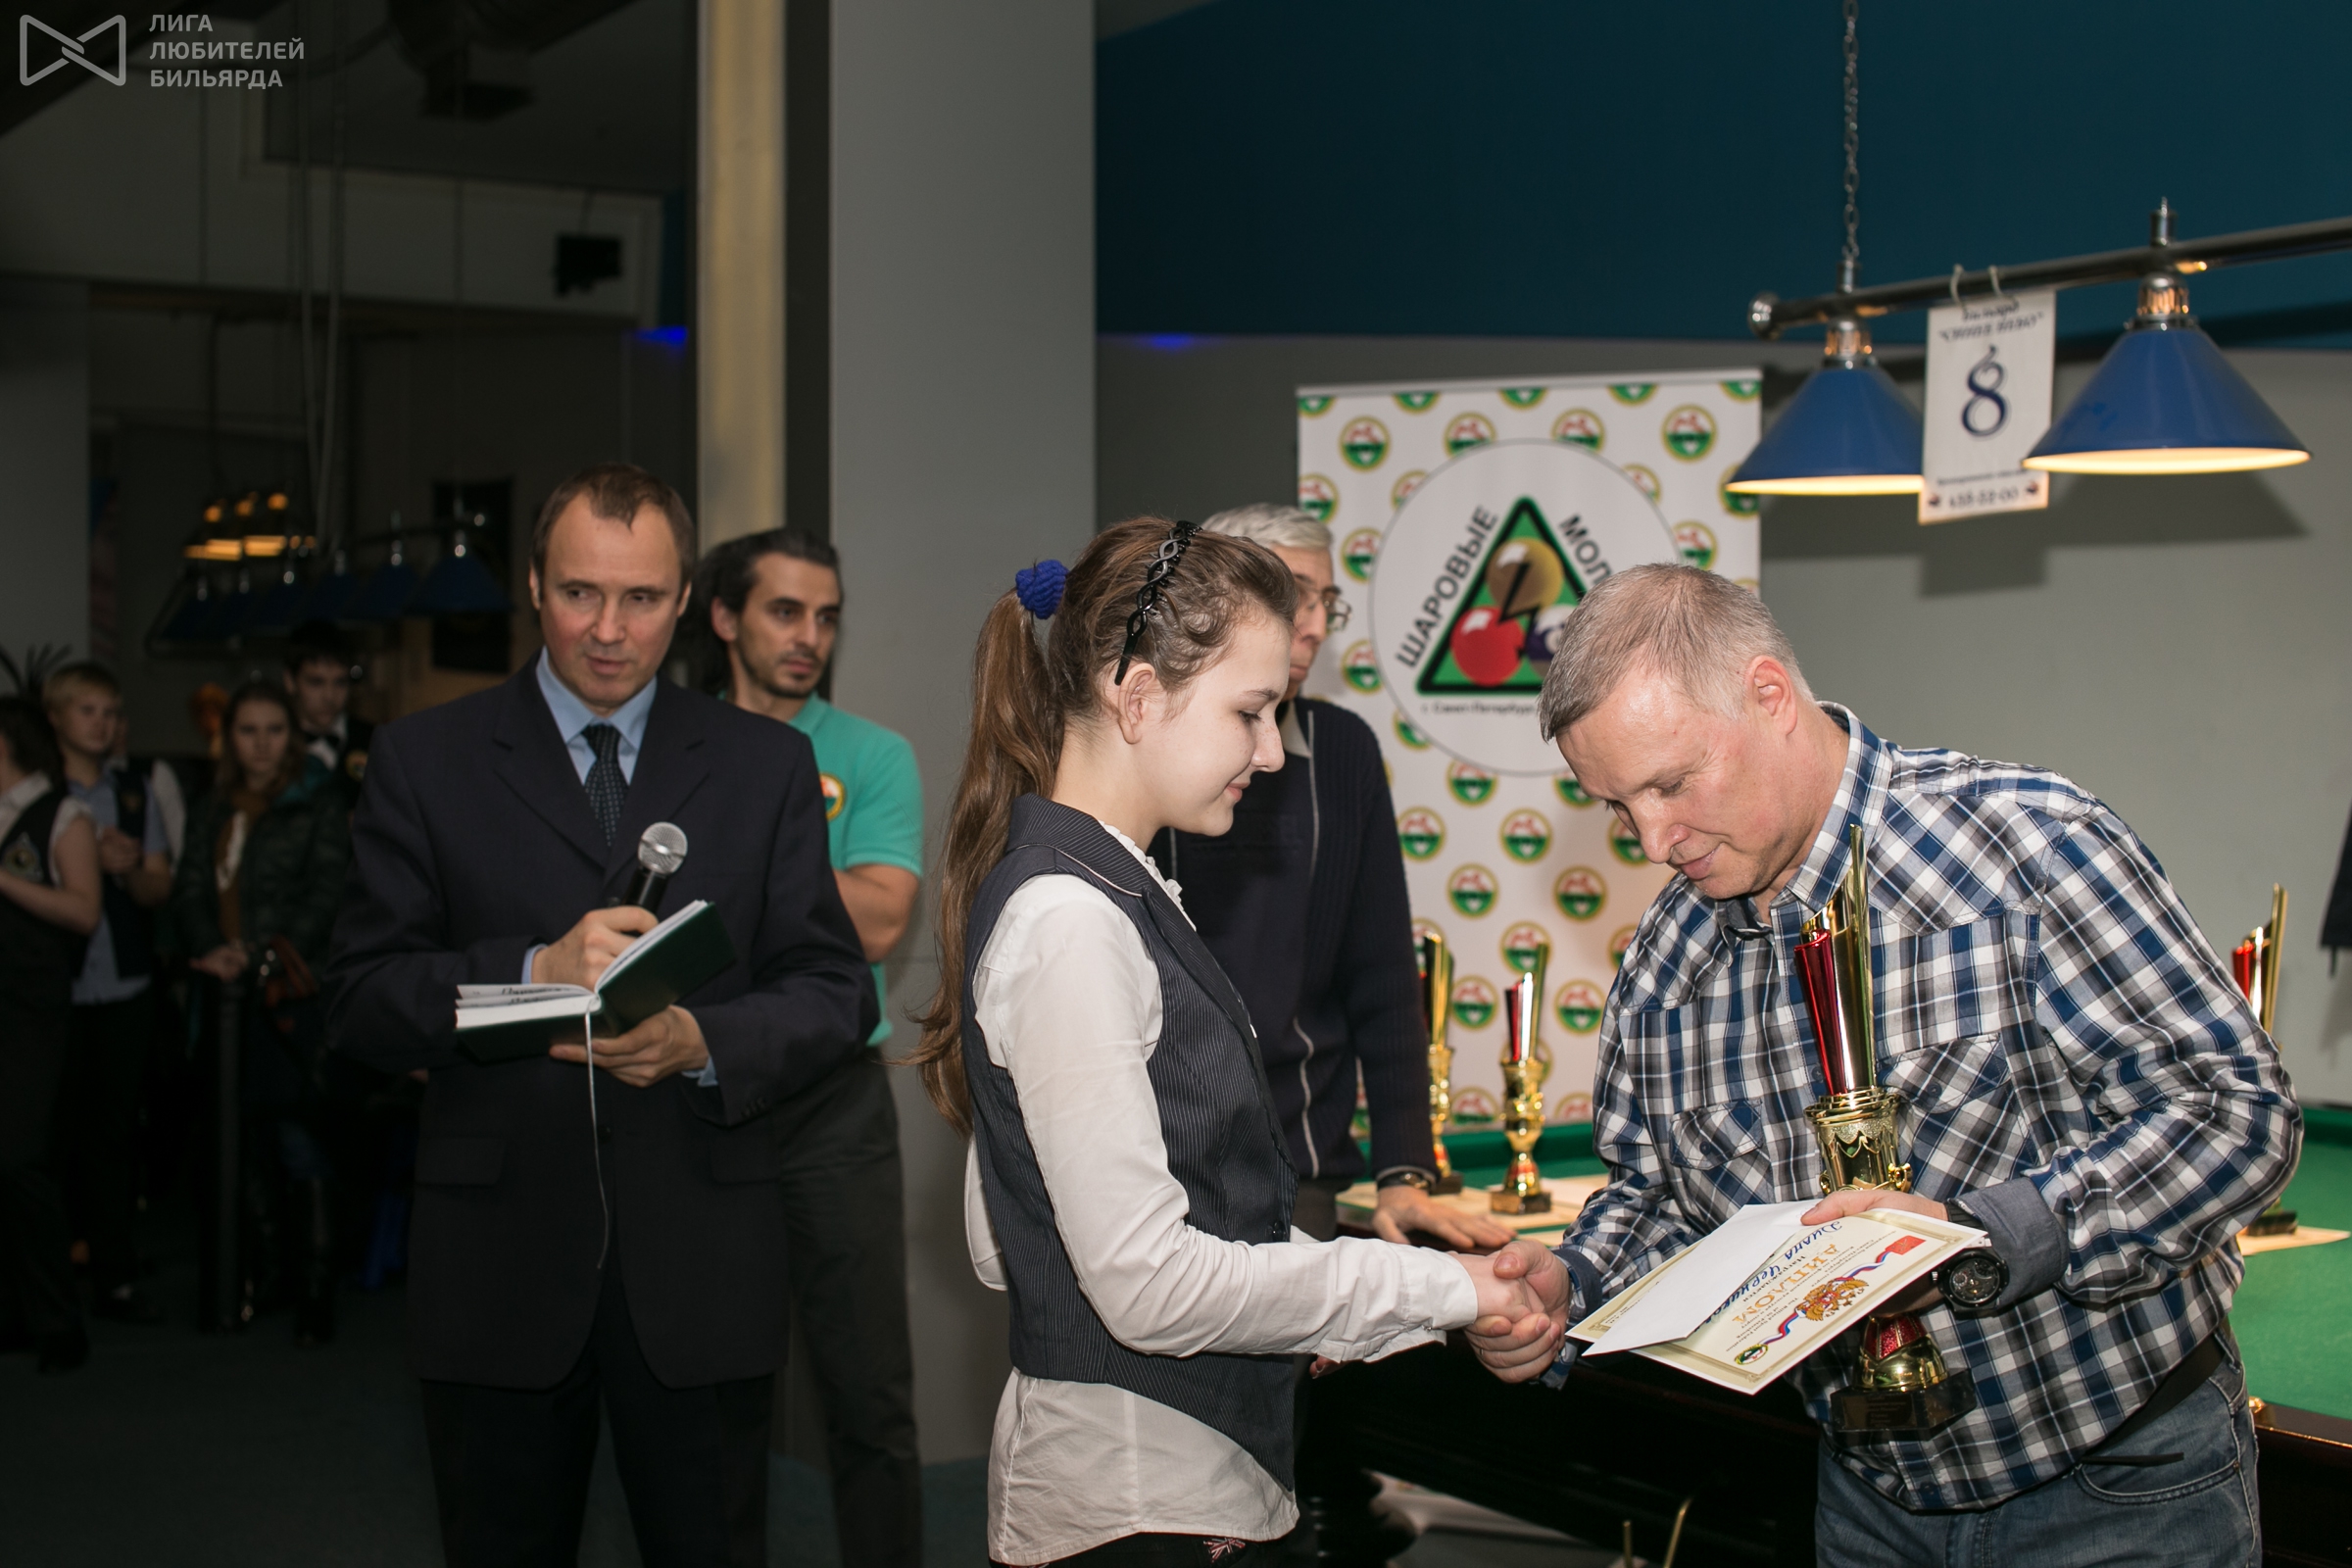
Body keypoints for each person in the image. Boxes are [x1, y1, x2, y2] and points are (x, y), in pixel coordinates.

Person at [1464, 564, 2298, 1565]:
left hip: (2122, 1483)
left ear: (1769, 695)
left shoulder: (2030, 849)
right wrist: (1574, 1282)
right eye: (1616, 807)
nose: (1651, 840)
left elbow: (2235, 1114)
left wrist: (1978, 1236)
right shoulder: (1664, 963)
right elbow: (1659, 1198)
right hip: (1869, 1501)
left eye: (1672, 784)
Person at [908, 518, 1540, 1566]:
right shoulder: (1073, 922)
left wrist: (1329, 1304)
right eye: (1249, 711)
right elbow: (1147, 1284)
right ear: (1137, 697)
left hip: (1182, 1475)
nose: (1270, 749)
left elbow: (1008, 1231)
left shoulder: (1102, 888)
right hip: (1133, 1498)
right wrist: (1449, 1290)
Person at [326, 462, 874, 1568]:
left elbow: (834, 990)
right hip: (499, 1261)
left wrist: (703, 1041)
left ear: (688, 602)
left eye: (641, 598)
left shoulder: (767, 765)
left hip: (701, 1258)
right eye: (581, 593)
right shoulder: (426, 759)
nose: (610, 630)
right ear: (534, 585)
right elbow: (362, 998)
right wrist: (533, 969)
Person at [1154, 506, 1510, 1249]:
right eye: (1294, 594)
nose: (1313, 624)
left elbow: (1381, 976)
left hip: (1299, 1172)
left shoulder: (1342, 750)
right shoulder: (1151, 747)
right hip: (1157, 1162)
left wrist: (1404, 1171)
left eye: (1326, 601)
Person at [700, 529, 924, 1568]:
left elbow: (877, 922)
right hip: (705, 1089)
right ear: (724, 618)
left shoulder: (872, 755)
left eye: (826, 616)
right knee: (714, 1392)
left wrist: (727, 877)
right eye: (785, 611)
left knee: (869, 1394)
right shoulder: (675, 745)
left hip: (837, 1102)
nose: (809, 637)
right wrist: (791, 884)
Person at [171, 680, 352, 1344]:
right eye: (248, 730)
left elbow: (328, 892)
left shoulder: (320, 800)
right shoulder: (212, 803)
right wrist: (210, 948)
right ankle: (268, 1275)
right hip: (223, 995)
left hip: (292, 996)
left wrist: (264, 955)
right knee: (236, 1139)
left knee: (300, 1138)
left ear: (291, 736)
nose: (262, 744)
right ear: (230, 738)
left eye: (274, 730)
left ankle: (316, 1292)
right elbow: (190, 887)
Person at [43, 662, 174, 1325]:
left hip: (123, 982)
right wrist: (78, 861)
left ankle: (115, 1274)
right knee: (48, 1134)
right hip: (52, 988)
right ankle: (52, 1272)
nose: (101, 724)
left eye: (110, 711)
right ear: (56, 717)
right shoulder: (36, 794)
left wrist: (125, 870)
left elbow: (158, 886)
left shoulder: (132, 791)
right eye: (87, 710)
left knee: (115, 1133)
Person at [0, 697, 102, 1373]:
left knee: (19, 1160)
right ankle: (13, 1315)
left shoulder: (62, 815)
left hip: (31, 1010)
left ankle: (60, 1321)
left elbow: (85, 911)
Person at [283, 618, 372, 806]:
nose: (329, 696)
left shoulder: (374, 740)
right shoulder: (274, 742)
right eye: (316, 682)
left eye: (340, 682)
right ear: (290, 681)